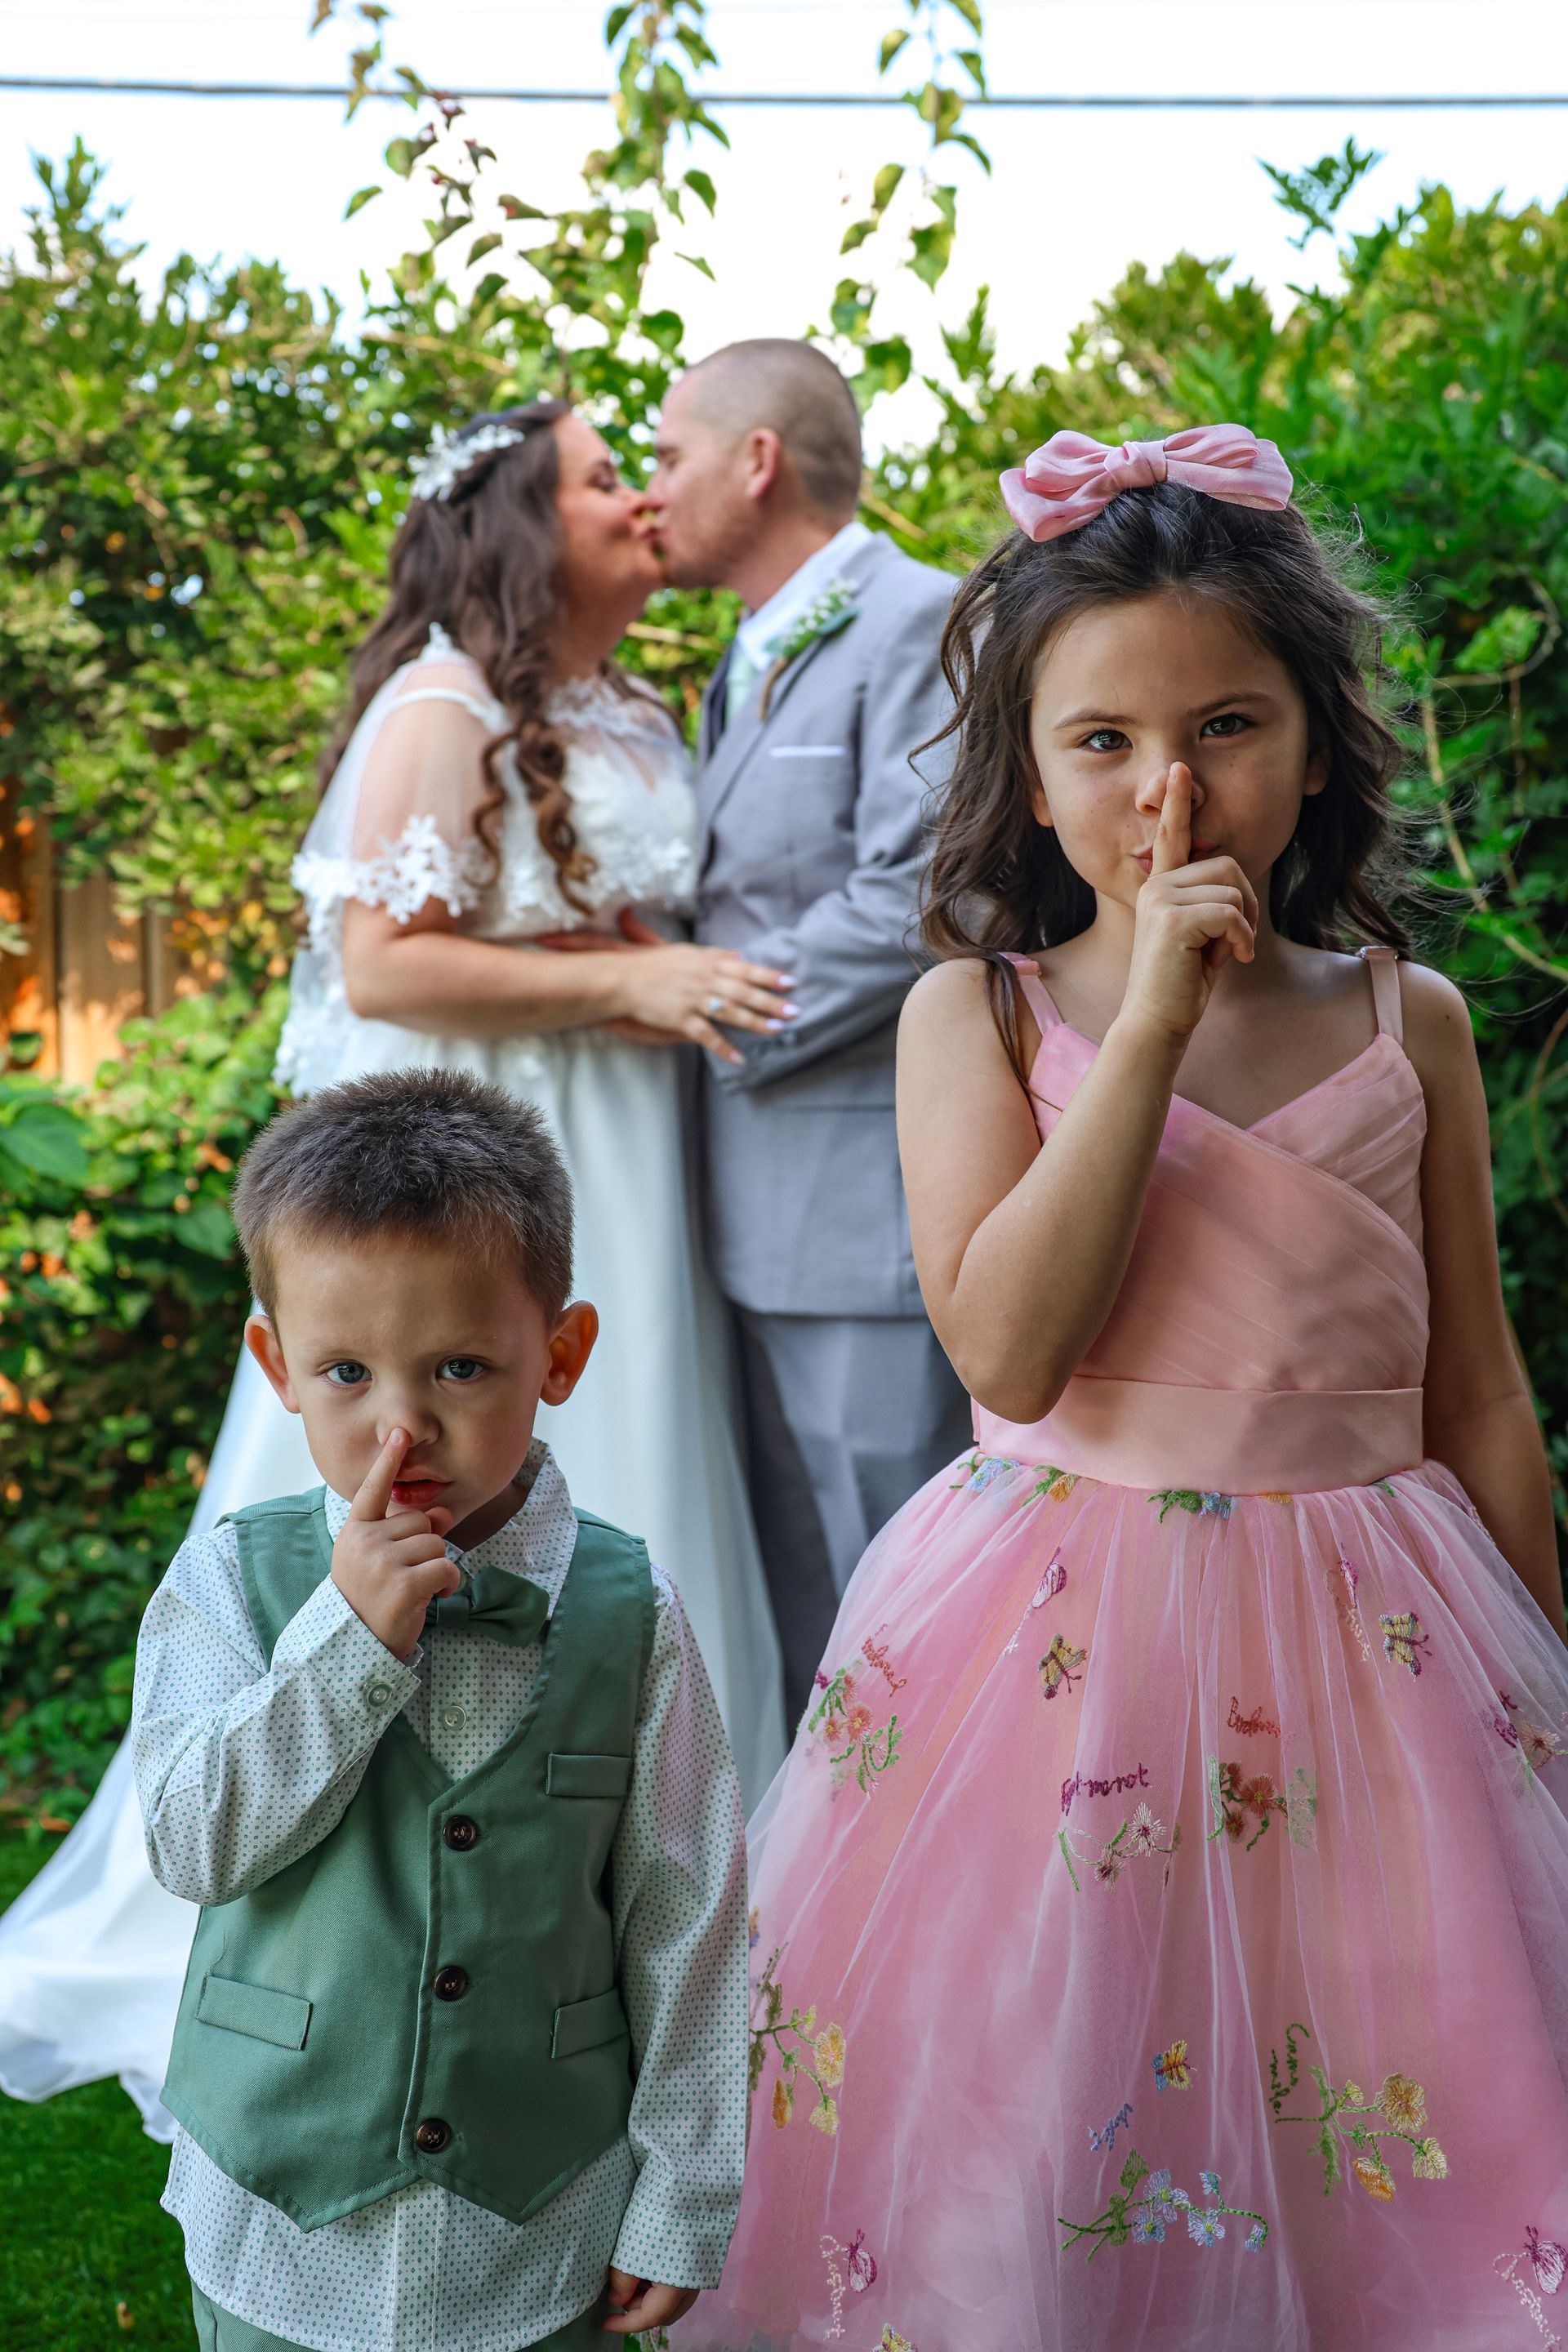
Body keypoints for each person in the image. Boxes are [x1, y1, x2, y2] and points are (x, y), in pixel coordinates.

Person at [684, 426, 1568, 2351]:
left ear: (1317, 745)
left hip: (1384, 1649)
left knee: (1385, 2074)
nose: (1172, 787)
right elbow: (1008, 1347)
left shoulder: (1403, 1019)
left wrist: (1551, 1686)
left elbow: (1482, 1394)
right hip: (1064, 1641)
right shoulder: (974, 1016)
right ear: (1026, 770)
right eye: (1104, 742)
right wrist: (1150, 1019)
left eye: (1231, 725)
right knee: (1072, 2058)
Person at [0, 402, 786, 2137]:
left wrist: (656, 966)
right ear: (520, 527)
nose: (640, 495)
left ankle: (638, 1861)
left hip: (627, 1151)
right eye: (599, 477)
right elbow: (391, 963)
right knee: (456, 1437)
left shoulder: (628, 708)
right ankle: (363, 1807)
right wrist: (635, 991)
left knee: (623, 1436)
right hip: (492, 1138)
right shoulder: (440, 704)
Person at [133, 1067, 747, 2351]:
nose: (400, 1430)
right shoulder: (226, 1583)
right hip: (282, 2220)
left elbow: (688, 1918)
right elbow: (193, 1844)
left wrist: (683, 2192)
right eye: (345, 1372)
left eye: (461, 1367)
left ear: (561, 1356)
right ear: (277, 1367)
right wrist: (345, 1645)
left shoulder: (634, 1615)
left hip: (535, 2229)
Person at [646, 338, 971, 1726]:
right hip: (736, 1224)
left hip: (864, 1228)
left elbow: (916, 899)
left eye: (668, 456)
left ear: (756, 460)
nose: (653, 490)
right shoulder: (747, 647)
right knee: (807, 1640)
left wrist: (686, 1006)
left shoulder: (922, 621)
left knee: (914, 1630)